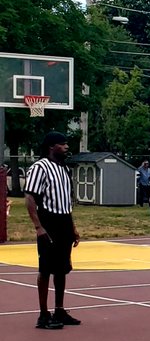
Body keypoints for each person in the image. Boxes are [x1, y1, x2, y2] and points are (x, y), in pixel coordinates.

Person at [24, 131, 81, 330]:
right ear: (51, 147)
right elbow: (30, 198)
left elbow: (66, 201)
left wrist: (72, 227)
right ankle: (43, 314)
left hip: (64, 220)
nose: (66, 147)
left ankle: (59, 309)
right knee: (46, 268)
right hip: (48, 221)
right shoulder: (40, 167)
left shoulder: (64, 169)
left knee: (62, 268)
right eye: (62, 144)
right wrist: (38, 226)